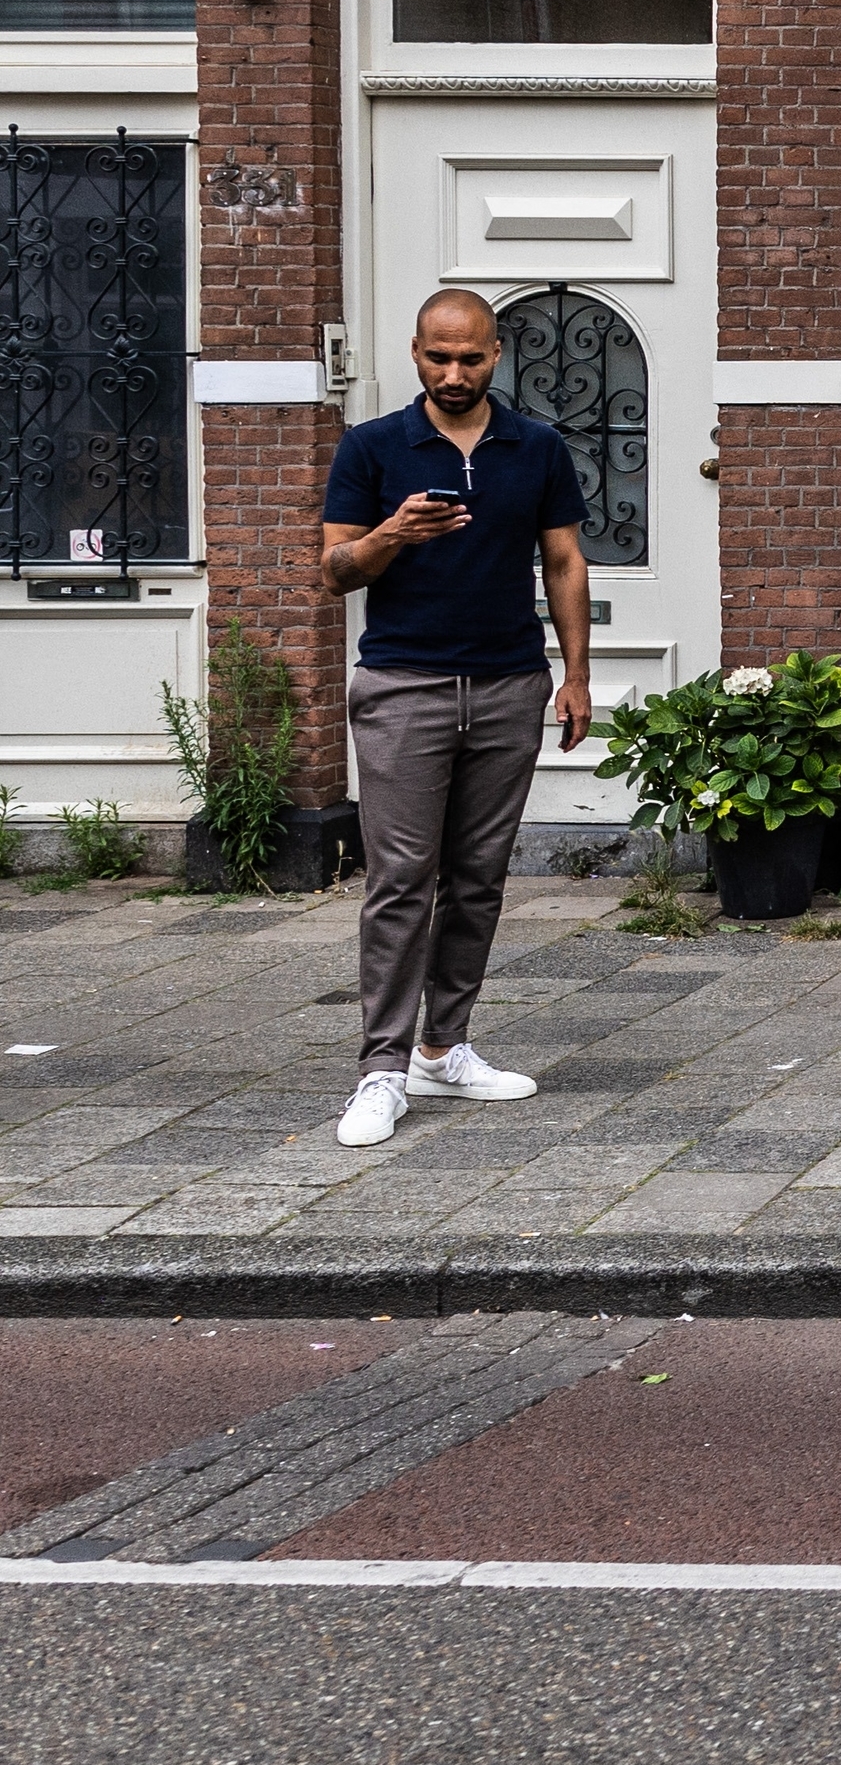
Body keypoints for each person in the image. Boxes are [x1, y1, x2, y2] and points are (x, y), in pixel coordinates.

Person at [318, 289, 592, 1148]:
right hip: (404, 687)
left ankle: (444, 1047)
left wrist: (576, 676)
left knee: (477, 878)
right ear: (414, 353)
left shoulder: (536, 446)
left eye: (470, 357)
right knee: (400, 881)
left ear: (497, 353)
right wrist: (395, 532)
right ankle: (381, 1070)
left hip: (510, 685)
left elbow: (564, 560)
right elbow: (336, 570)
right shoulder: (370, 447)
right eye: (439, 357)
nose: (455, 373)